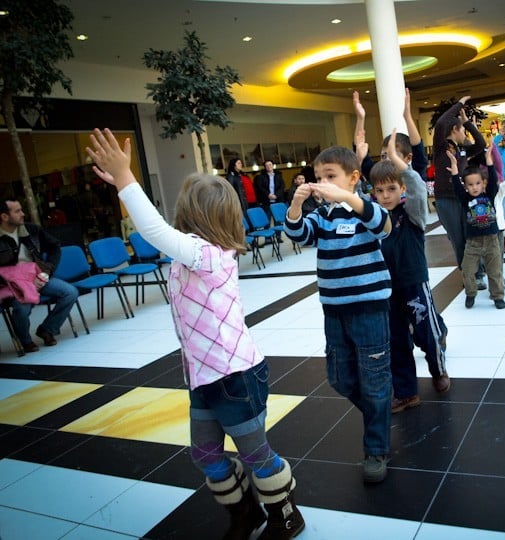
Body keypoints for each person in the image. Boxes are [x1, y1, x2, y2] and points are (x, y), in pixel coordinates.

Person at [86, 128, 305, 540]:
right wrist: (121, 182)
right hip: (204, 377)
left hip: (235, 376)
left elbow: (154, 231)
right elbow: (160, 235)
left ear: (195, 213)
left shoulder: (207, 254)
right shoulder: (191, 252)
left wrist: (126, 180)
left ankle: (286, 515)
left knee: (257, 455)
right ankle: (246, 513)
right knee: (205, 455)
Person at [283, 145, 393, 484]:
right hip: (333, 310)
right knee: (339, 378)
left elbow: (383, 225)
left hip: (369, 309)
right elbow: (300, 235)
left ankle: (376, 448)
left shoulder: (365, 210)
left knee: (374, 380)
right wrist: (296, 206)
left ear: (353, 178)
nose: (323, 184)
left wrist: (351, 199)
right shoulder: (323, 216)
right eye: (319, 178)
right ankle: (381, 414)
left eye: (330, 177)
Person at [369, 130, 450, 414]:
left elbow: (416, 184)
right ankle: (406, 393)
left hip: (414, 283)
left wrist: (398, 162)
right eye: (379, 191)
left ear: (401, 189)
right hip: (385, 287)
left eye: (391, 189)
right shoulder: (375, 217)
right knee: (396, 340)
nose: (385, 196)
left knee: (427, 333)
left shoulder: (413, 211)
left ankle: (438, 369)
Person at [0, 201, 79, 353]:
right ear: (4, 216)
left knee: (70, 292)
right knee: (21, 309)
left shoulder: (31, 229)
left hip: (37, 275)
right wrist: (13, 283)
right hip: (12, 284)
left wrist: (47, 272)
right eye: (17, 211)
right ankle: (25, 341)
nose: (22, 214)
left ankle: (47, 329)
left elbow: (55, 246)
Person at [431, 95, 488, 289]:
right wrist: (460, 104)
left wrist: (468, 124)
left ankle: (478, 273)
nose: (464, 132)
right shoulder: (441, 147)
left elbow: (480, 145)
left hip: (463, 197)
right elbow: (440, 123)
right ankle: (469, 275)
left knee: (471, 235)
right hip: (445, 200)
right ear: (454, 130)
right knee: (458, 238)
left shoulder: (463, 150)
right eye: (462, 129)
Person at [449, 142, 505, 310]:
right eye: (470, 185)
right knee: (467, 270)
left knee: (494, 271)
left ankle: (497, 296)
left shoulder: (489, 194)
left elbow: (494, 179)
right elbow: (457, 188)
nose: (474, 187)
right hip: (472, 243)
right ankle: (471, 293)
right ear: (466, 187)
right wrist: (454, 170)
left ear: (483, 184)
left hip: (491, 240)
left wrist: (489, 159)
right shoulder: (465, 199)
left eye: (477, 183)